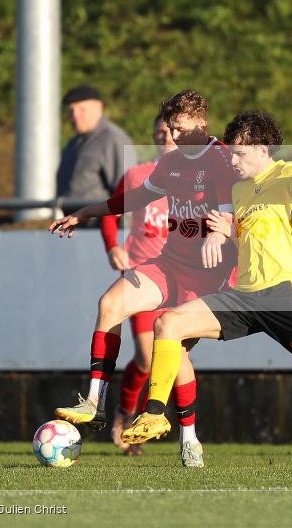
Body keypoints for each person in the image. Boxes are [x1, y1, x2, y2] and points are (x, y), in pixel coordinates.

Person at [88, 110, 292, 470]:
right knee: (168, 325)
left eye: (239, 154)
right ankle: (155, 414)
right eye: (229, 153)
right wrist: (225, 232)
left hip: (285, 292)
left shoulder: (289, 176)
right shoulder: (238, 189)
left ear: (263, 150)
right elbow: (245, 235)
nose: (232, 160)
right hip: (243, 294)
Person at [52, 89, 237, 468]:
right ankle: (95, 403)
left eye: (181, 129)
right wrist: (84, 213)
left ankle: (189, 437)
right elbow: (131, 200)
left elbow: (230, 210)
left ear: (202, 123)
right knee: (110, 304)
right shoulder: (170, 165)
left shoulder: (221, 160)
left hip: (208, 275)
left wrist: (221, 232)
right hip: (170, 263)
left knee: (175, 353)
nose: (174, 137)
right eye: (170, 129)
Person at [100, 113, 176, 455]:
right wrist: (114, 246)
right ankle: (126, 413)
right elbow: (110, 212)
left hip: (182, 279)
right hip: (143, 277)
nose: (165, 138)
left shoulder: (199, 180)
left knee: (173, 359)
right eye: (159, 132)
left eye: (172, 132)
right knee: (146, 357)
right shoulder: (137, 176)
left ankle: (150, 426)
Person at [56, 84, 135, 217]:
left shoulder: (113, 139)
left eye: (81, 110)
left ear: (99, 108)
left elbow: (127, 191)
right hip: (75, 227)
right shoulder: (74, 143)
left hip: (98, 228)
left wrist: (117, 229)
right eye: (71, 111)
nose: (75, 116)